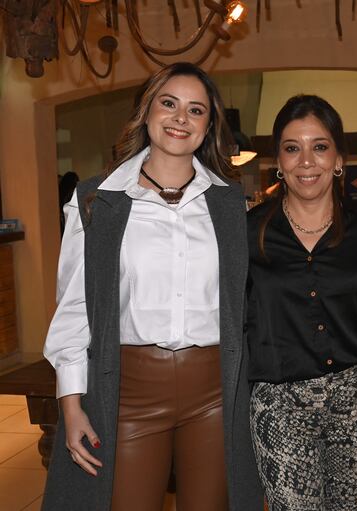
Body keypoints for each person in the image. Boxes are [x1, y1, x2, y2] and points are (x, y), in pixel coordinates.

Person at [42, 62, 261, 511]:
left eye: (195, 110)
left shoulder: (230, 204)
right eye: (169, 103)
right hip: (130, 391)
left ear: (208, 127)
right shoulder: (96, 200)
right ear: (146, 112)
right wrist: (71, 401)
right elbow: (74, 306)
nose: (181, 118)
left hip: (215, 392)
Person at [246, 94, 357, 511]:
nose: (306, 160)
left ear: (339, 158)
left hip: (356, 400)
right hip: (278, 401)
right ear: (279, 161)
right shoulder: (247, 233)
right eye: (292, 148)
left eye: (319, 147)